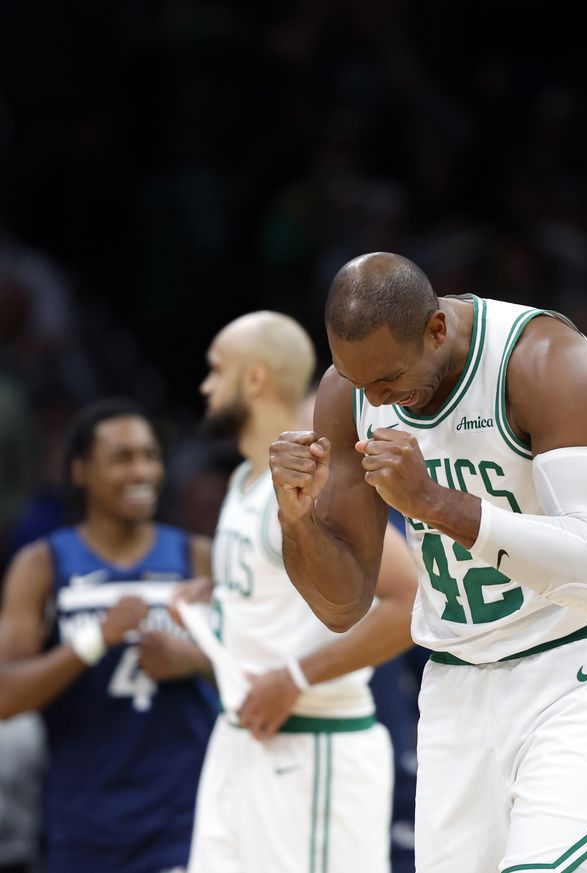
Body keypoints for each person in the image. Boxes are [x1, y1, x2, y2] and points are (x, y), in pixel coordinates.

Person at [268, 253, 587, 873]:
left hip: (576, 668)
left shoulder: (543, 359)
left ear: (436, 330)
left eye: (390, 378)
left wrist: (432, 503)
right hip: (456, 685)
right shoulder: (350, 394)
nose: (378, 399)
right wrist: (295, 518)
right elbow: (341, 605)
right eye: (357, 379)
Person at [180, 312, 419, 872]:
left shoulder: (321, 479)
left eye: (217, 371)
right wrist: (214, 600)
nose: (206, 386)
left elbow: (410, 602)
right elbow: (273, 595)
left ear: (255, 379)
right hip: (240, 741)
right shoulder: (243, 480)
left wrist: (295, 678)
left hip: (315, 747)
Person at [0, 399, 216, 873]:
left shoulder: (199, 557)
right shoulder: (41, 564)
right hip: (83, 824)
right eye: (123, 458)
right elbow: (6, 696)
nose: (142, 470)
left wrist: (197, 660)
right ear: (80, 472)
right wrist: (92, 641)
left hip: (185, 819)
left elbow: (255, 678)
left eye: (150, 455)